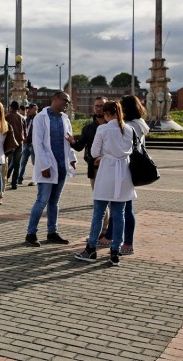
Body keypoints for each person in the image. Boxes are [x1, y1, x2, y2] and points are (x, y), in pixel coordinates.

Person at [74, 101, 135, 266]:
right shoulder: (129, 129)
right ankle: (115, 251)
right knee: (119, 214)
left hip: (107, 171)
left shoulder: (103, 128)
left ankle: (91, 249)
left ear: (107, 114)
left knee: (99, 213)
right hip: (123, 173)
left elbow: (93, 152)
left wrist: (103, 156)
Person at [25, 91, 77, 246]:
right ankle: (31, 233)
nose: (66, 104)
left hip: (61, 166)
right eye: (64, 100)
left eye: (68, 102)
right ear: (54, 99)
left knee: (54, 202)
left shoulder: (64, 119)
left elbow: (69, 140)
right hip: (47, 167)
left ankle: (52, 232)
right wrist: (44, 165)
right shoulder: (41, 118)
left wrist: (72, 158)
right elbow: (38, 144)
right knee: (42, 201)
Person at [100, 95, 150, 255]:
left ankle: (127, 244)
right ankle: (110, 237)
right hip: (127, 168)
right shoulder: (139, 124)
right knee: (119, 205)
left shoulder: (130, 126)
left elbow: (122, 148)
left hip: (124, 169)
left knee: (125, 208)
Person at [66, 97, 109, 238]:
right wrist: (72, 141)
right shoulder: (89, 128)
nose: (99, 108)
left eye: (102, 105)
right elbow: (79, 146)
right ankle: (103, 231)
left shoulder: (113, 127)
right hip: (95, 169)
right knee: (99, 200)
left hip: (112, 168)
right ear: (93, 108)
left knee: (113, 202)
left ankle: (108, 231)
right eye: (97, 106)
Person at [6, 101, 26, 190]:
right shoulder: (22, 118)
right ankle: (14, 183)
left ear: (11, 107)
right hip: (20, 142)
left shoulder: (7, 117)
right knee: (17, 164)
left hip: (10, 143)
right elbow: (25, 132)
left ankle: (3, 180)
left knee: (7, 163)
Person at [18, 103, 38, 186]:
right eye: (28, 109)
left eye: (30, 108)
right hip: (26, 143)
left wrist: (35, 142)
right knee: (23, 162)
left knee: (35, 163)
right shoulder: (28, 118)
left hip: (33, 144)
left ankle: (35, 180)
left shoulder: (39, 119)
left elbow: (39, 133)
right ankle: (19, 178)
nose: (28, 110)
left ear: (35, 109)